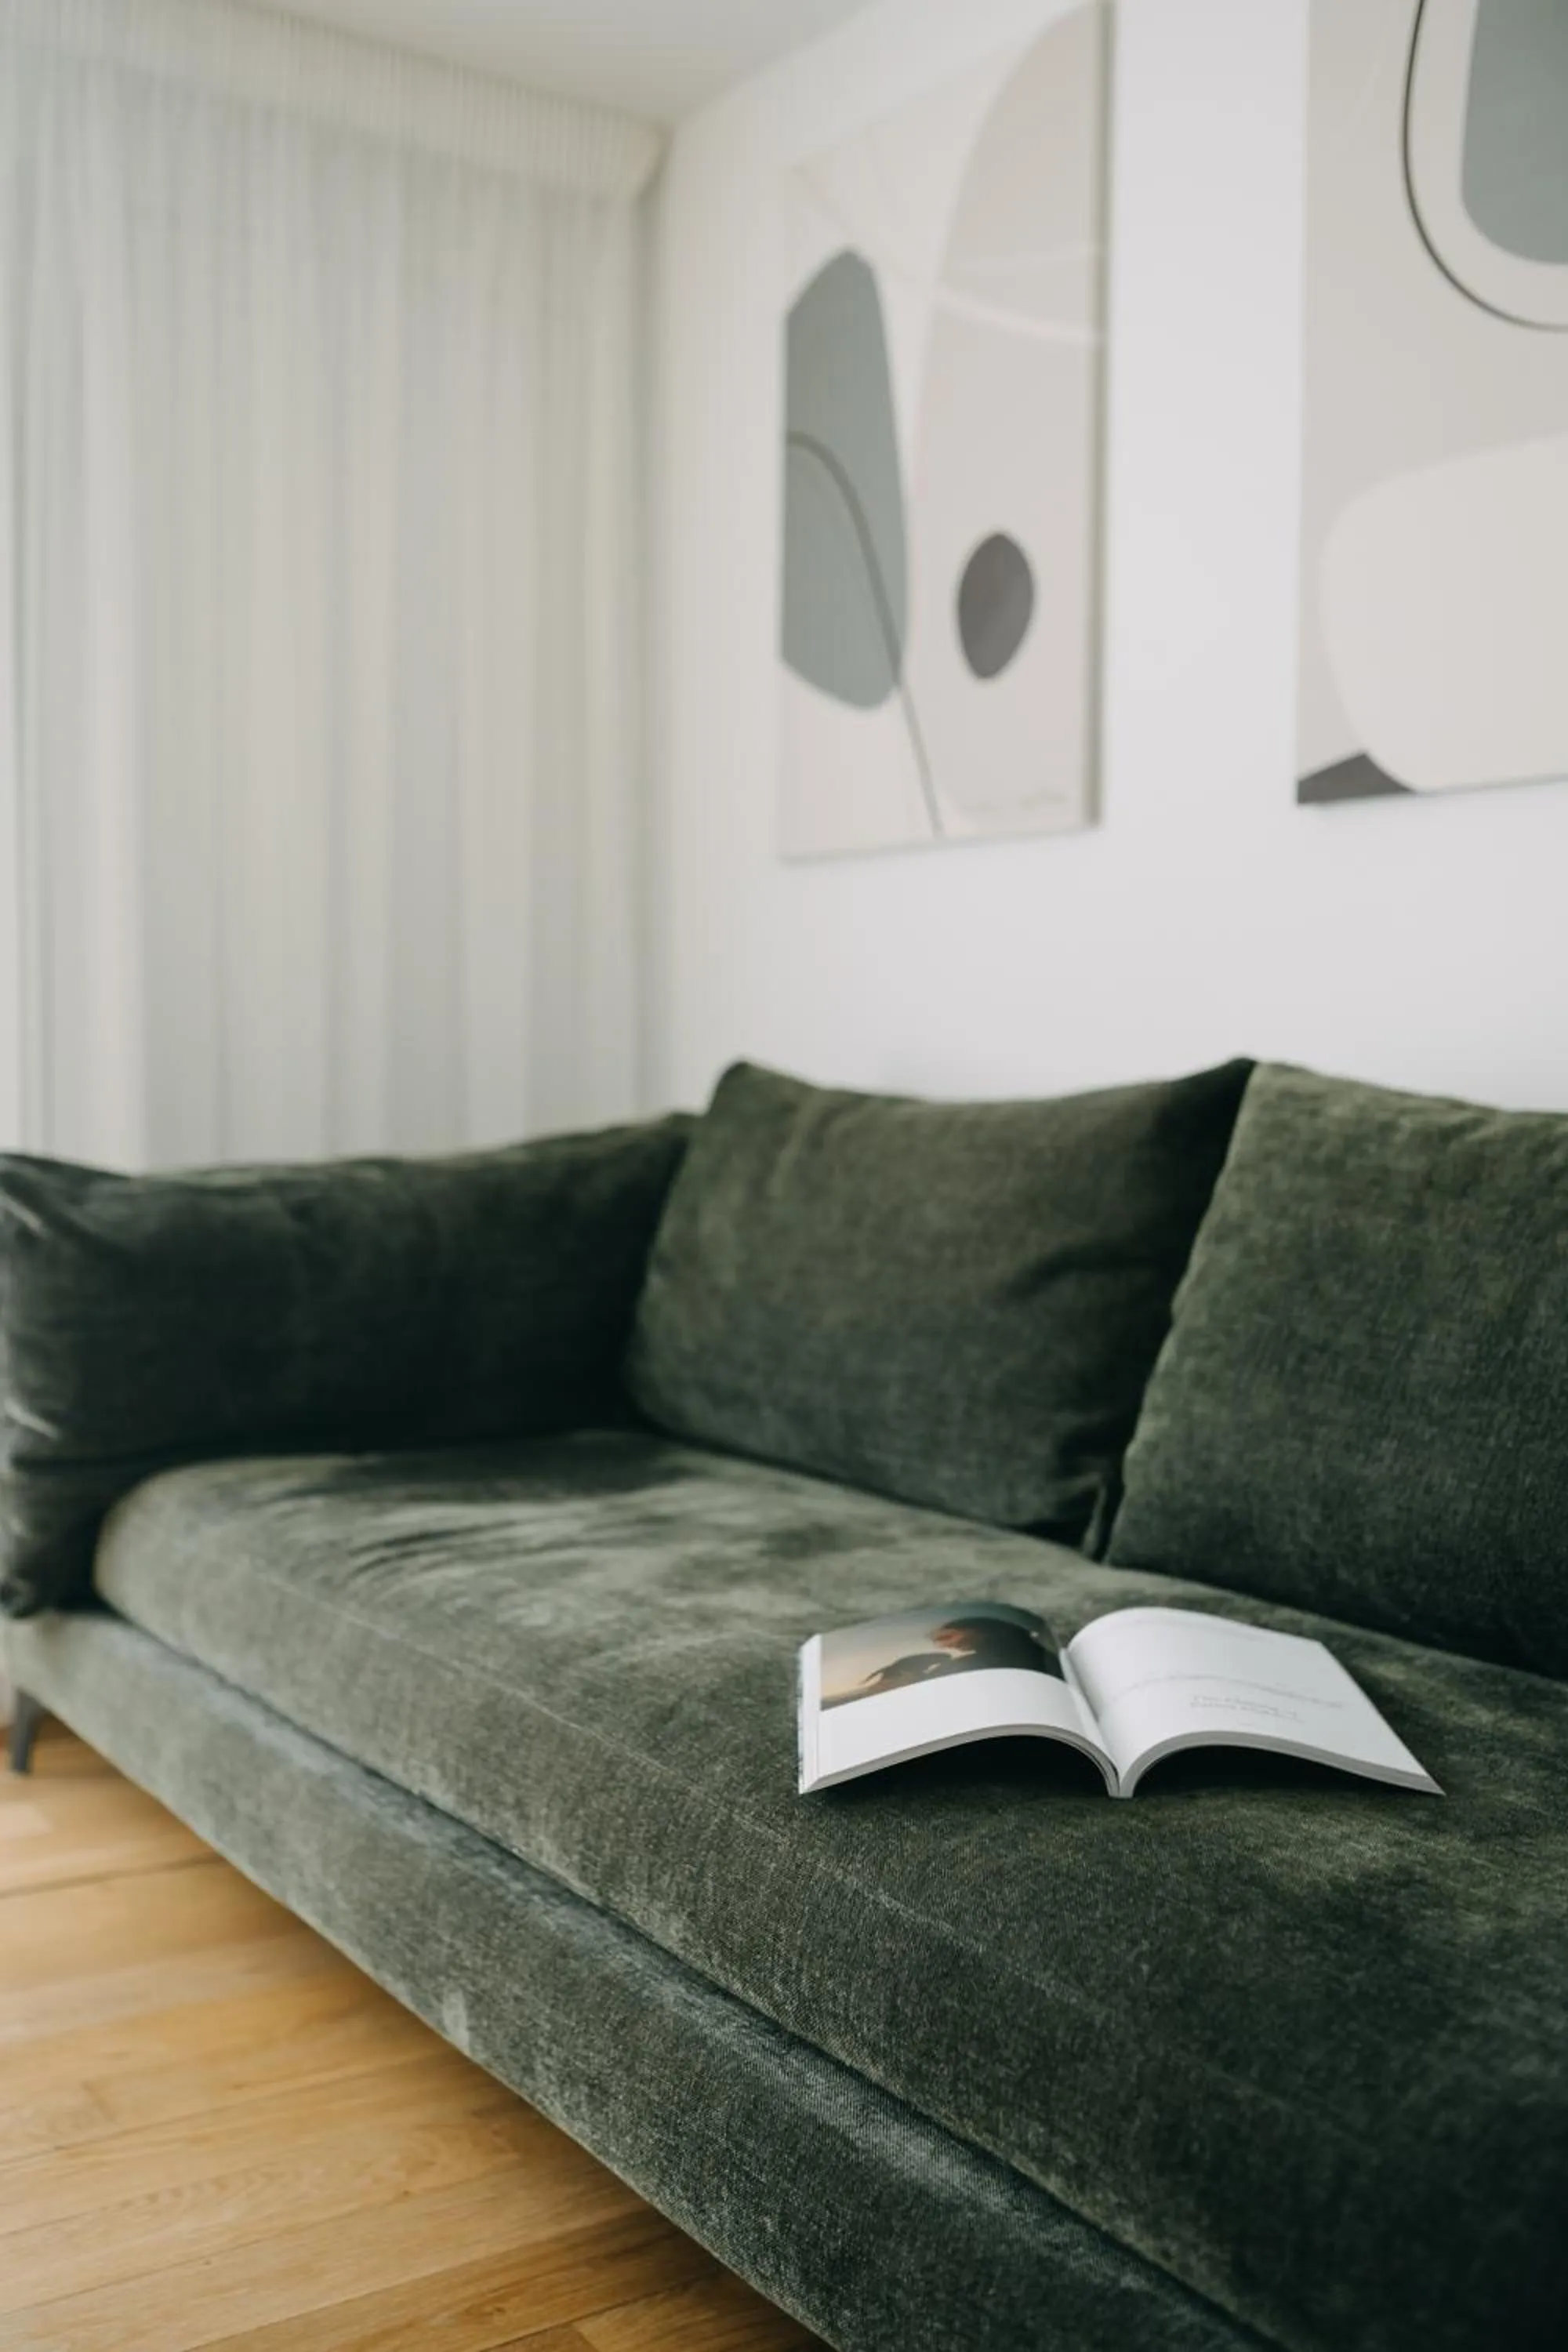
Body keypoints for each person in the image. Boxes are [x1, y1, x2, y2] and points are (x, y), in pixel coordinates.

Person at [829, 1610, 1062, 1706]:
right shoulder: (969, 1659)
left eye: (948, 1637)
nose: (949, 1645)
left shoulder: (1007, 1650)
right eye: (941, 1643)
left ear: (979, 1628)